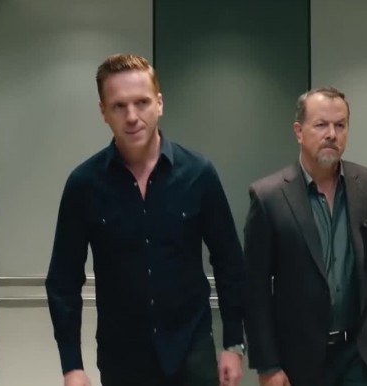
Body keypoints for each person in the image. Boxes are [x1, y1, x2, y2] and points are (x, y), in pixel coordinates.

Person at [46, 53, 246, 386]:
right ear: (103, 112)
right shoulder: (84, 185)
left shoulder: (198, 173)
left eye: (141, 102)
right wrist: (72, 366)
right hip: (122, 359)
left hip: (191, 351)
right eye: (119, 106)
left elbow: (229, 263)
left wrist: (234, 344)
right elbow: (63, 281)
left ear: (159, 103)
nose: (132, 116)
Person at [243, 87, 367, 386]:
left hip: (364, 356)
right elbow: (255, 290)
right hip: (300, 360)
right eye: (321, 125)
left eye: (340, 125)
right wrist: (267, 365)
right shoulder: (269, 197)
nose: (332, 134)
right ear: (299, 131)